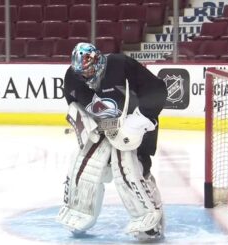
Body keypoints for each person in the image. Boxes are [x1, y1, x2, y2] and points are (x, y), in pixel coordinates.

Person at [56, 42, 167, 241]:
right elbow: (75, 105)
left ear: (98, 61)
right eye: (82, 72)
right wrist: (86, 127)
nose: (86, 76)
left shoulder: (120, 65)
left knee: (130, 169)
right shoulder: (73, 77)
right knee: (83, 166)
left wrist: (138, 121)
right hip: (102, 128)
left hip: (134, 124)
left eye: (89, 70)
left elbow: (157, 90)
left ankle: (151, 219)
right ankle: (79, 210)